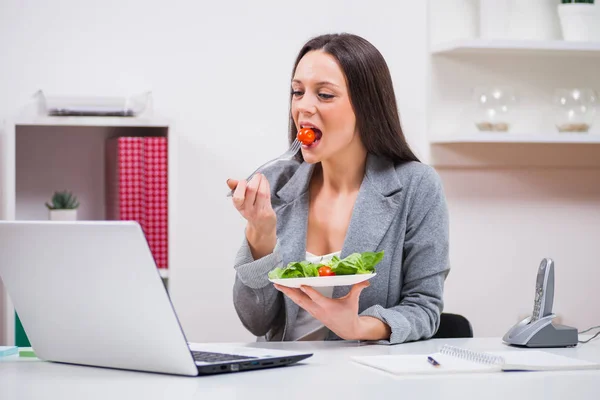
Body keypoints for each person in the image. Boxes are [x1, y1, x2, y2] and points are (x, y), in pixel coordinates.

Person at [226, 33, 450, 344]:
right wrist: (260, 236)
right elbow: (255, 321)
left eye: (325, 95)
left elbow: (424, 308)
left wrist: (359, 327)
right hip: (284, 378)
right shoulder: (275, 186)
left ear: (367, 106)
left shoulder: (417, 186)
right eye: (297, 92)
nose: (304, 107)